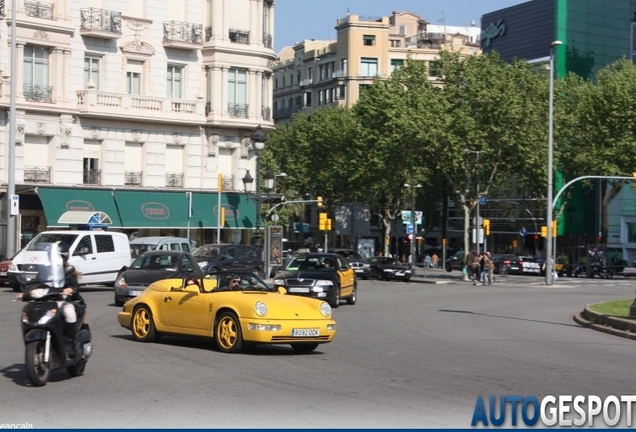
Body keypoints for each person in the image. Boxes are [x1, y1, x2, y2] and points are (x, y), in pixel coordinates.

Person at [59, 242, 84, 357]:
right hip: (48, 301)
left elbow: (75, 286)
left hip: (63, 301)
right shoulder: (45, 270)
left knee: (69, 312)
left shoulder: (67, 271)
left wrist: (70, 289)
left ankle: (69, 342)